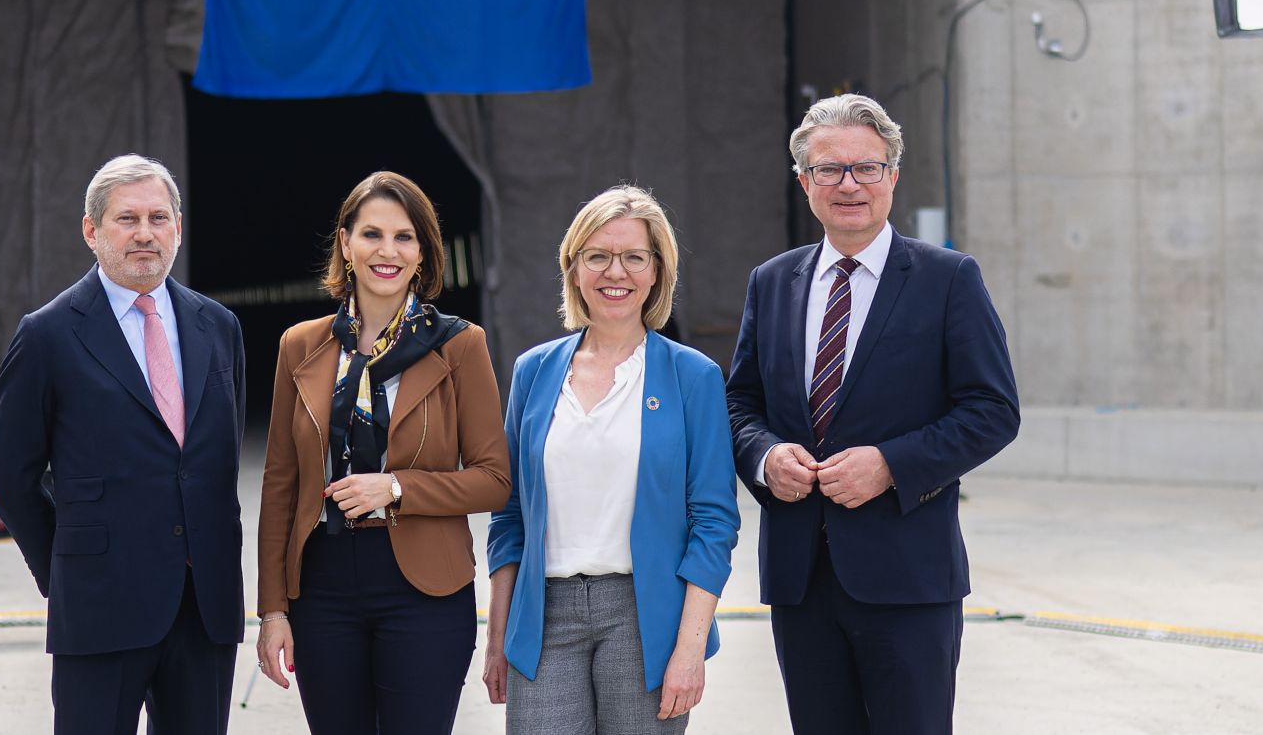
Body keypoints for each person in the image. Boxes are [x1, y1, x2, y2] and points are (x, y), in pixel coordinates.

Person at [725, 95, 1020, 735]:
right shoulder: (771, 282)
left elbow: (993, 410)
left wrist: (891, 465)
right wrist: (765, 455)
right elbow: (739, 403)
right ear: (804, 182)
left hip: (909, 575)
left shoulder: (948, 279)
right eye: (829, 170)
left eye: (866, 167)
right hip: (800, 578)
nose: (849, 184)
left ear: (892, 176)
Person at [0, 154, 246, 735]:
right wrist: (67, 573)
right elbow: (12, 479)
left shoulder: (219, 327)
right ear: (91, 230)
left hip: (204, 606)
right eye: (126, 219)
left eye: (159, 217)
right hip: (99, 604)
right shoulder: (48, 334)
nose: (144, 233)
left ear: (178, 226)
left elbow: (213, 462)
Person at [254, 171, 510, 735]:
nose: (387, 252)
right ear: (346, 243)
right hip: (321, 584)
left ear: (423, 252)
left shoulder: (460, 344)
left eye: (404, 237)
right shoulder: (300, 345)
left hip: (424, 586)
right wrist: (272, 611)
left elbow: (495, 480)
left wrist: (396, 488)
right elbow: (279, 485)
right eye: (372, 234)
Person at [486, 185, 740, 733]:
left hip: (646, 616)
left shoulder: (693, 376)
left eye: (633, 257)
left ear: (656, 272)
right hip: (544, 615)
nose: (615, 272)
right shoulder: (533, 372)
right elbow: (508, 517)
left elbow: (714, 524)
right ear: (574, 269)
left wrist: (689, 650)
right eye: (597, 256)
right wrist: (496, 637)